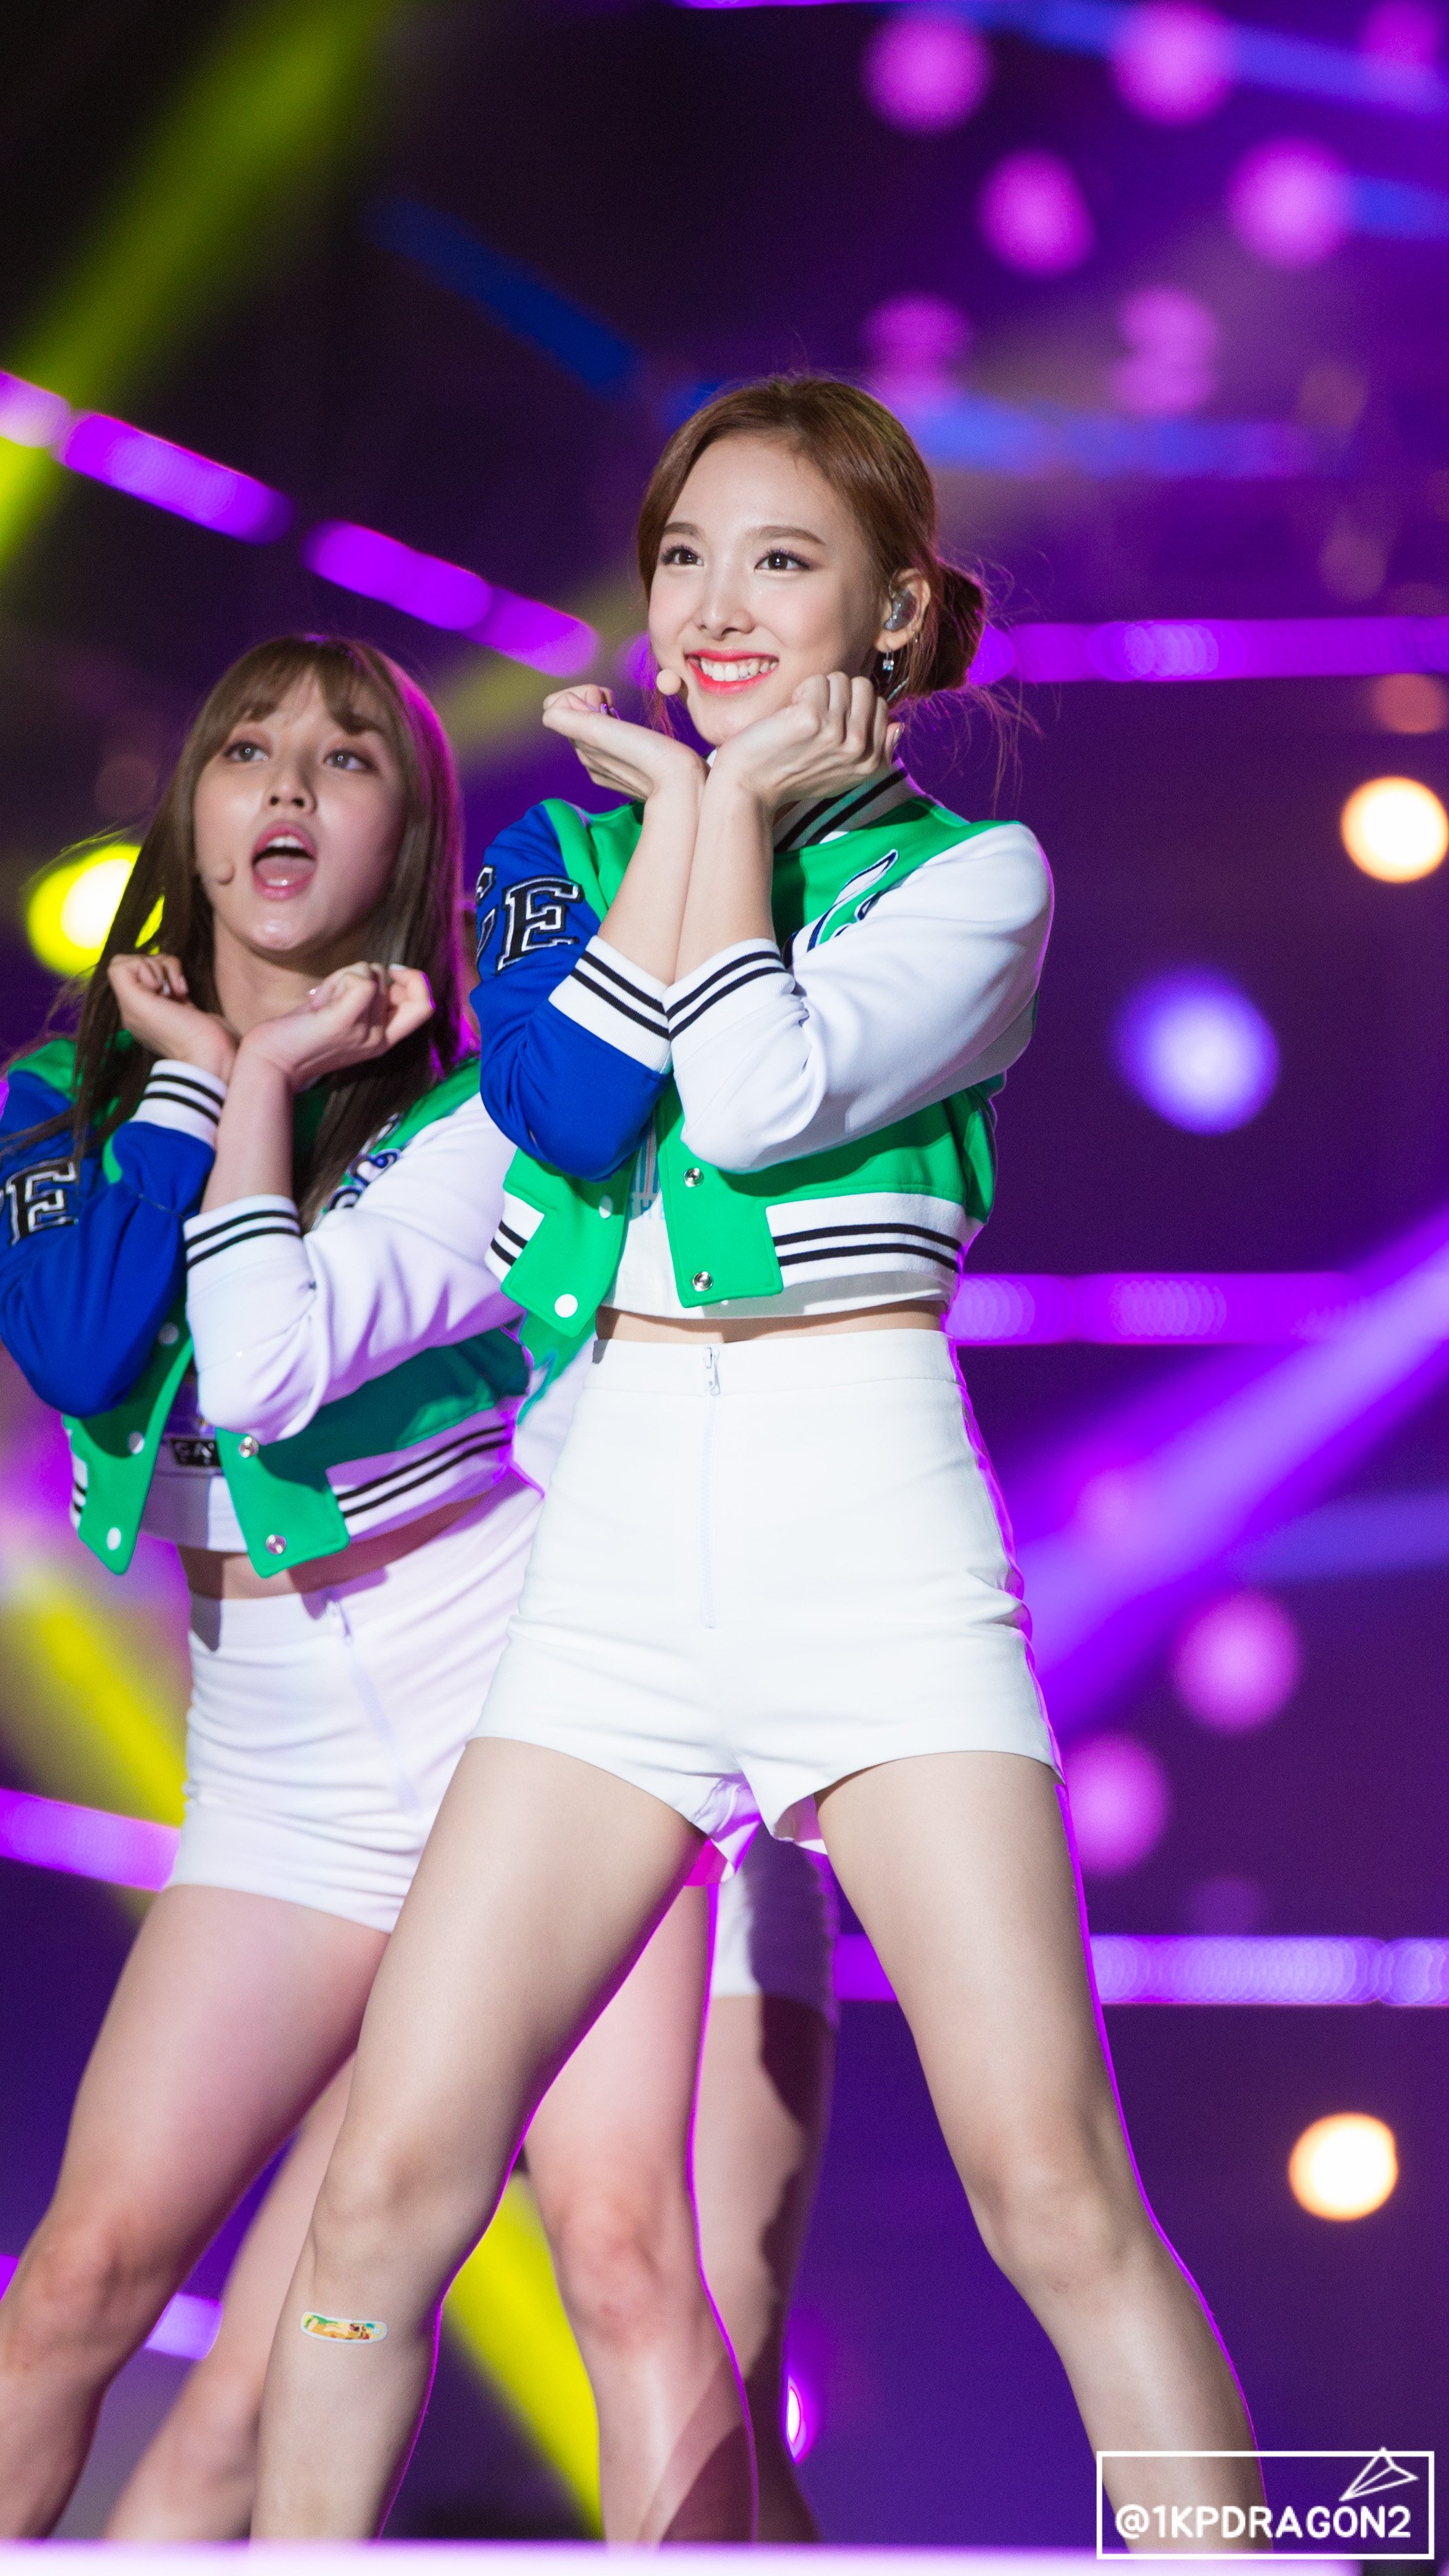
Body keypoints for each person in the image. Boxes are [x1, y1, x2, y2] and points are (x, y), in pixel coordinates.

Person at [253, 377, 1264, 2546]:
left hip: (857, 1515)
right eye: (683, 559)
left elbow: (749, 1095)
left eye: (779, 561)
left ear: (893, 614)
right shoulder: (560, 867)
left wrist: (706, 816)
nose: (712, 607)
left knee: (1047, 2186)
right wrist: (681, 826)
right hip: (611, 1535)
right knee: (385, 2198)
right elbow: (562, 1118)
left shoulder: (971, 876)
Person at [0, 633, 831, 2545]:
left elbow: (278, 1364)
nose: (289, 787)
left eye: (349, 757)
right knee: (80, 2283)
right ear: (189, 814)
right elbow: (85, 1338)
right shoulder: (57, 1104)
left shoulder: (478, 1100)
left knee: (624, 2253)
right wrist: (207, 1084)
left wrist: (274, 1071)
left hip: (526, 1706)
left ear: (414, 834)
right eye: (246, 752)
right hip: (279, 1773)